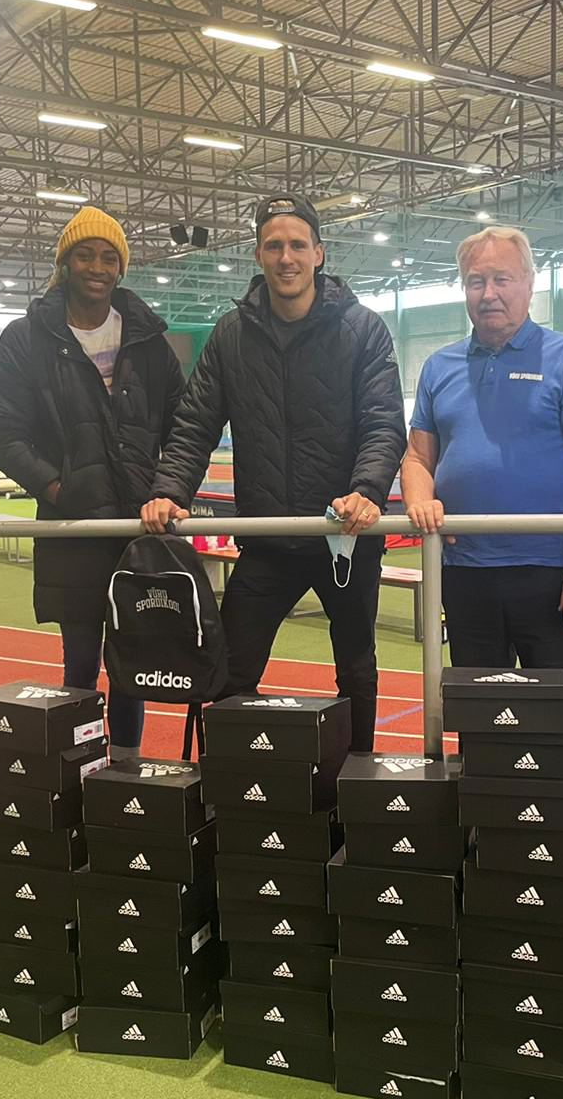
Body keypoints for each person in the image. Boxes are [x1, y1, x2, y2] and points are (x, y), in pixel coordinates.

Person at [141, 194, 406, 752]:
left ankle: (356, 781)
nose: (286, 257)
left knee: (356, 672)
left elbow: (383, 424)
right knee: (231, 671)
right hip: (265, 544)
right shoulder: (231, 335)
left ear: (319, 254)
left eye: (297, 245)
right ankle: (231, 790)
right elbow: (194, 425)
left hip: (344, 541)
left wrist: (366, 491)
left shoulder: (363, 331)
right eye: (274, 246)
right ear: (259, 256)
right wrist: (169, 491)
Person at [0, 206, 185, 756]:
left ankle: (125, 771)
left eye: (109, 257)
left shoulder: (147, 340)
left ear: (120, 268)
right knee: (79, 665)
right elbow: (1, 433)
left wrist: (165, 490)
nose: (97, 266)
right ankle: (80, 769)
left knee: (132, 663)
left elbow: (185, 426)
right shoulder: (27, 340)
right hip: (71, 530)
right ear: (65, 262)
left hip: (137, 532)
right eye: (85, 254)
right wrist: (57, 490)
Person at [401, 226, 563, 735]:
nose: (489, 293)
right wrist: (420, 499)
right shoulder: (439, 365)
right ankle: (485, 812)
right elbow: (416, 458)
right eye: (476, 282)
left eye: (502, 279)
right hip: (466, 572)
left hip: (547, 573)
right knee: (480, 719)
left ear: (529, 285)